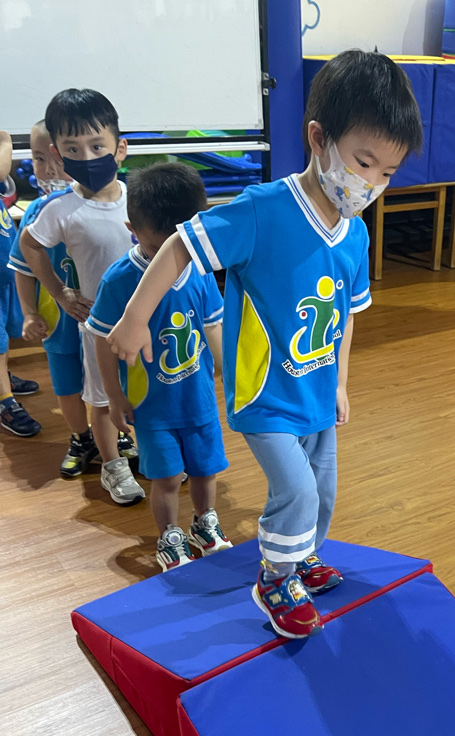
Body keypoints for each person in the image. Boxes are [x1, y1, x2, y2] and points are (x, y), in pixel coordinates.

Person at [108, 50, 422, 636]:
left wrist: (342, 384)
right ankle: (275, 578)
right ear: (319, 139)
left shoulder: (354, 233)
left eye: (388, 172)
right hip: (265, 395)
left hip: (317, 394)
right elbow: (180, 245)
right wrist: (134, 317)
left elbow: (346, 317)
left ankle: (301, 559)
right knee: (296, 490)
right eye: (363, 163)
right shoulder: (263, 211)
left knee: (322, 490)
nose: (372, 184)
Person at [90, 163, 232, 571]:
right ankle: (169, 536)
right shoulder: (119, 280)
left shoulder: (200, 270)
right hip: (152, 407)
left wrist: (232, 378)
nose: (169, 258)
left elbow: (214, 326)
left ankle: (205, 524)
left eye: (179, 245)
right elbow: (102, 340)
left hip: (199, 400)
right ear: (132, 229)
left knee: (205, 470)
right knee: (167, 478)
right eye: (157, 248)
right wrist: (114, 397)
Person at [18, 89, 144, 502]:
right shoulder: (60, 209)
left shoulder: (139, 199)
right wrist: (60, 293)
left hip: (146, 322)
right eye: (73, 149)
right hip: (98, 327)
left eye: (97, 146)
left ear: (119, 148)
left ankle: (151, 453)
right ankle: (112, 466)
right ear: (58, 153)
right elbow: (30, 245)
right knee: (102, 399)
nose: (87, 157)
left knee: (147, 391)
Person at [8, 120, 96, 474]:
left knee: (108, 382)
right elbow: (22, 268)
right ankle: (81, 438)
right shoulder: (35, 213)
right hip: (59, 322)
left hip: (100, 320)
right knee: (67, 386)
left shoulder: (101, 205)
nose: (48, 169)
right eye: (38, 159)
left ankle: (117, 435)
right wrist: (30, 313)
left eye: (58, 159)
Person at [0, 128, 41, 437]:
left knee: (5, 332)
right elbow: (3, 152)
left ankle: (3, 375)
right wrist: (3, 138)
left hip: (4, 274)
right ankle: (4, 400)